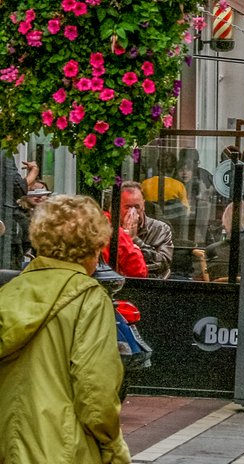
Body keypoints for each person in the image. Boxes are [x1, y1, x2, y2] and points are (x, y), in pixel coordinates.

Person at [0, 194, 132, 464]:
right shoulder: (89, 298)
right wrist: (113, 446)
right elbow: (95, 391)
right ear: (92, 247)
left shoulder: (9, 293)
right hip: (63, 448)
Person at [119, 181, 173, 280]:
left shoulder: (160, 229)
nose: (132, 212)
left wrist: (134, 239)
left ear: (143, 205)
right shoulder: (109, 228)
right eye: (127, 207)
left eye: (136, 206)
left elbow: (162, 264)